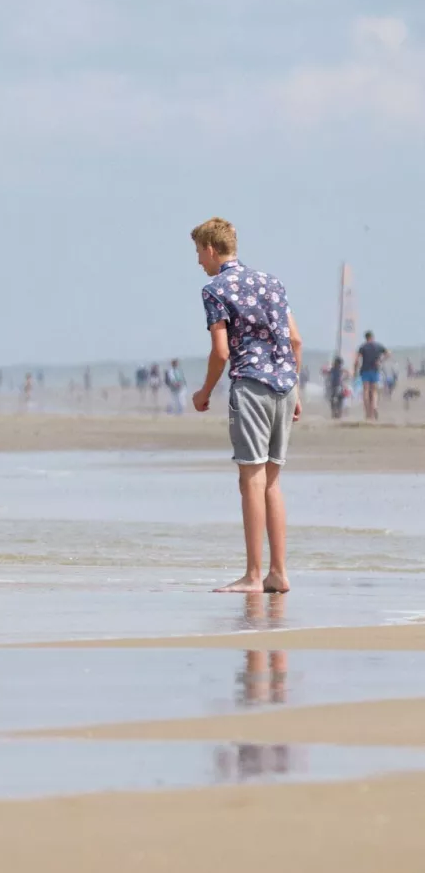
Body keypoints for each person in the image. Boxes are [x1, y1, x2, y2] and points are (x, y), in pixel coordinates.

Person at [188, 217, 302, 594]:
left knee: (250, 479)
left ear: (210, 248)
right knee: (272, 482)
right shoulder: (272, 282)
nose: (199, 262)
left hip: (251, 386)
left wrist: (204, 392)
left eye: (198, 253)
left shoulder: (215, 289)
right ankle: (278, 572)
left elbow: (221, 352)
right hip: (284, 386)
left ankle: (254, 575)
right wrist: (295, 388)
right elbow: (296, 340)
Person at [356, 330, 389, 421]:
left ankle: (368, 413)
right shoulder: (378, 346)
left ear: (366, 338)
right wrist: (380, 360)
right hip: (375, 370)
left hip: (365, 371)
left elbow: (357, 359)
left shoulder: (362, 347)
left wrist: (355, 370)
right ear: (372, 337)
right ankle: (374, 406)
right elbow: (388, 354)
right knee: (374, 391)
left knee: (366, 391)